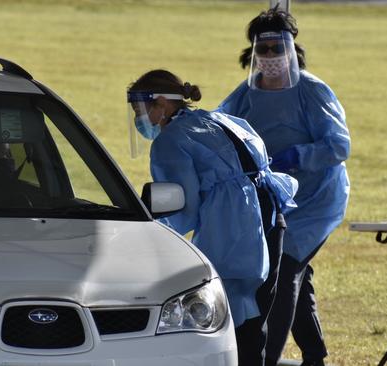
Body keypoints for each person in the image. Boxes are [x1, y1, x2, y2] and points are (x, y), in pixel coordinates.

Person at [127, 69, 298, 366]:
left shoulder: (170, 142)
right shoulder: (220, 118)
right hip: (272, 221)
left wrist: (148, 236)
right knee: (255, 322)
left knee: (226, 323)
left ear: (163, 105)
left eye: (141, 110)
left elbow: (182, 206)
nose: (138, 120)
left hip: (235, 233)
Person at [217, 6, 350, 366]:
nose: (271, 56)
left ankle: (265, 360)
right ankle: (314, 356)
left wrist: (299, 156)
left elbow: (340, 146)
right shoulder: (244, 96)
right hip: (275, 201)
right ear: (253, 53)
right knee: (291, 272)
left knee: (285, 270)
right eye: (265, 49)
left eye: (279, 48)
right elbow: (220, 131)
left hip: (316, 202)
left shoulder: (312, 91)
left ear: (292, 49)